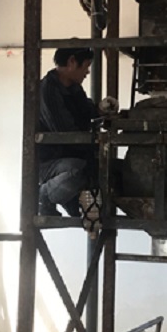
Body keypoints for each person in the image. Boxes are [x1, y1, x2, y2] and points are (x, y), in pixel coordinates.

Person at [38, 47, 97, 217]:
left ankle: (71, 202)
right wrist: (94, 144)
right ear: (72, 62)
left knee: (102, 169)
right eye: (86, 66)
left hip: (69, 157)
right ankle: (44, 196)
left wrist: (101, 109)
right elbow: (65, 132)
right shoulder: (48, 90)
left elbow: (87, 109)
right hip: (50, 162)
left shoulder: (73, 87)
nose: (87, 72)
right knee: (79, 171)